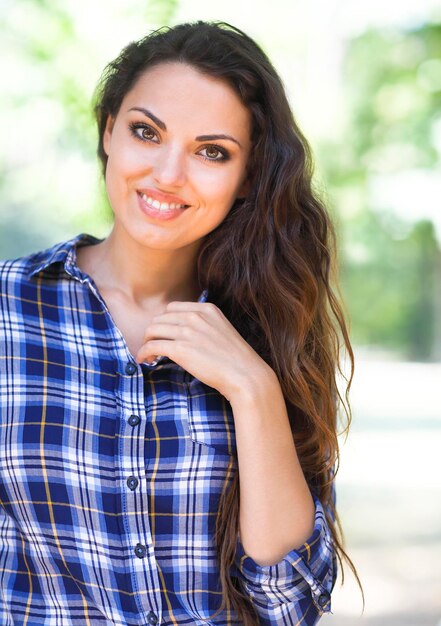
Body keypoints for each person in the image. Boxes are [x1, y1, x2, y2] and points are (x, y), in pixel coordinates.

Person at [0, 21, 361, 626]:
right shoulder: (11, 309)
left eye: (211, 151)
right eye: (147, 132)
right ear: (109, 130)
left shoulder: (270, 327)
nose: (169, 174)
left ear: (247, 179)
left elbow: (291, 603)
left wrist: (254, 390)